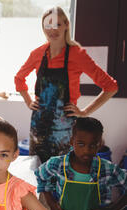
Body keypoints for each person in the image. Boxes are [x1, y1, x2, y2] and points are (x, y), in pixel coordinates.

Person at [15, 6, 118, 163]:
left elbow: (111, 87)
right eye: (47, 25)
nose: (53, 30)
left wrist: (84, 112)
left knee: (63, 170)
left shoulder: (78, 55)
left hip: (65, 130)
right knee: (37, 171)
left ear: (66, 25)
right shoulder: (38, 54)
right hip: (39, 126)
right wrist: (28, 101)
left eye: (57, 24)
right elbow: (19, 78)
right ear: (43, 28)